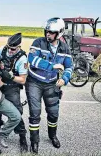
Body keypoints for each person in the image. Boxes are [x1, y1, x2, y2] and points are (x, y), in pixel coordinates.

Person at [25, 17, 73, 153]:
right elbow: (32, 59)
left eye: (51, 32)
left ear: (60, 33)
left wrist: (64, 79)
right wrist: (52, 66)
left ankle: (53, 136)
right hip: (34, 82)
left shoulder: (65, 47)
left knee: (53, 113)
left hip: (52, 84)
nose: (48, 34)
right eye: (47, 31)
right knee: (35, 114)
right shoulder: (38, 43)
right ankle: (34, 142)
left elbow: (69, 66)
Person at [0, 33, 28, 153]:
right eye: (8, 47)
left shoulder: (22, 58)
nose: (10, 50)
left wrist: (10, 75)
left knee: (17, 112)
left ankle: (22, 137)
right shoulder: (2, 50)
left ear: (19, 47)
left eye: (13, 49)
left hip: (12, 87)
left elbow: (23, 80)